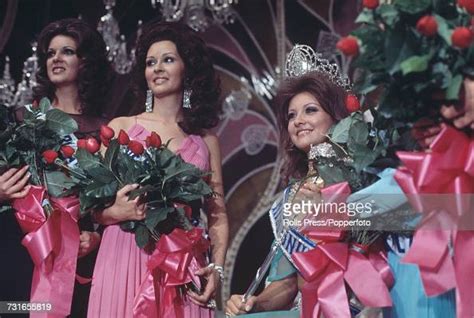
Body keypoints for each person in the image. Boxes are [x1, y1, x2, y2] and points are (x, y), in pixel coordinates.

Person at [88, 21, 228, 318]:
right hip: (125, 255)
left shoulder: (205, 141)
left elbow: (218, 214)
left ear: (187, 68)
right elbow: (92, 209)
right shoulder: (120, 128)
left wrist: (216, 268)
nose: (157, 68)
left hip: (183, 262)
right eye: (151, 62)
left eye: (168, 59)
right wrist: (117, 212)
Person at [0, 17, 111, 318]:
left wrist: (97, 235)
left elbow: (109, 203)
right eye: (50, 53)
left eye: (67, 52)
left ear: (85, 61)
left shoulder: (105, 130)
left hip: (78, 256)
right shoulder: (19, 119)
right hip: (21, 250)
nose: (56, 59)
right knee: (14, 312)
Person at [226, 68, 350, 316]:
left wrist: (325, 213)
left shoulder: (361, 179)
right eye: (292, 115)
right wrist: (254, 303)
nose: (298, 120)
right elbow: (286, 284)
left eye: (310, 110)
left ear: (337, 118)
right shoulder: (292, 197)